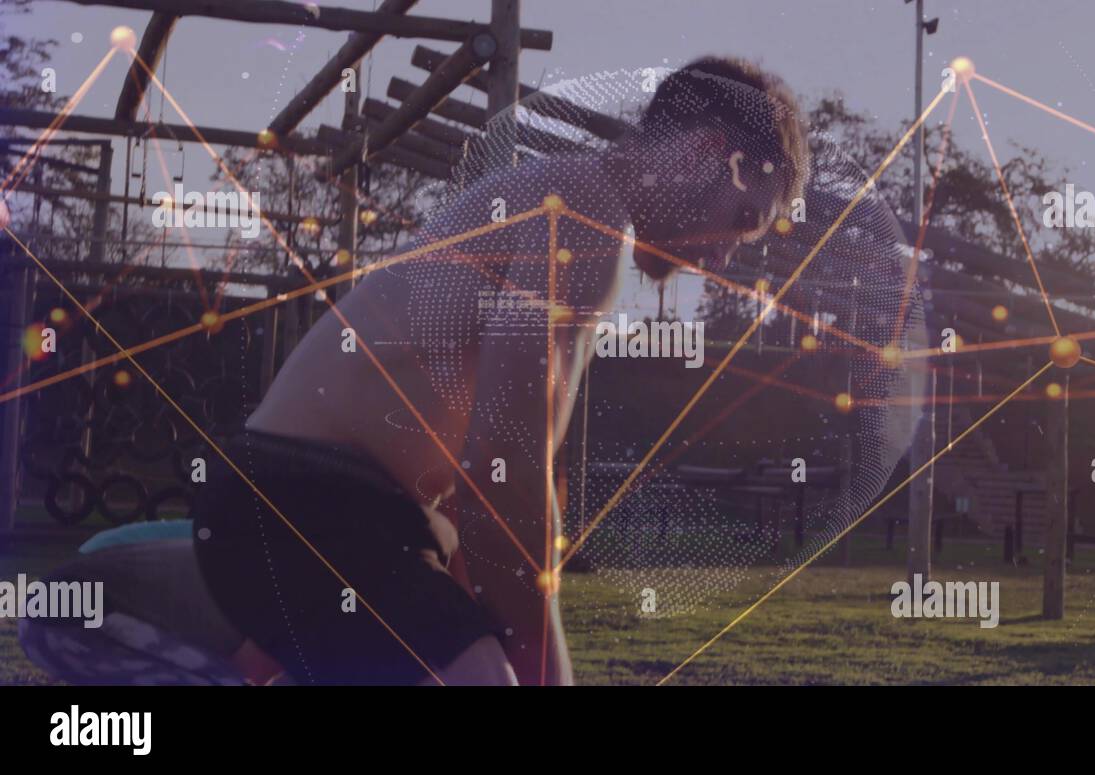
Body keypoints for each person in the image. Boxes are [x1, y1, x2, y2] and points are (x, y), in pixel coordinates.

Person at [26, 57, 809, 686]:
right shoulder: (585, 218)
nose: (722, 257)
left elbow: (483, 489)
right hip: (308, 503)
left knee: (457, 645)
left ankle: (211, 623)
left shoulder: (568, 205)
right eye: (742, 220)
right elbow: (505, 480)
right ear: (712, 153)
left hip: (343, 515)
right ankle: (180, 605)